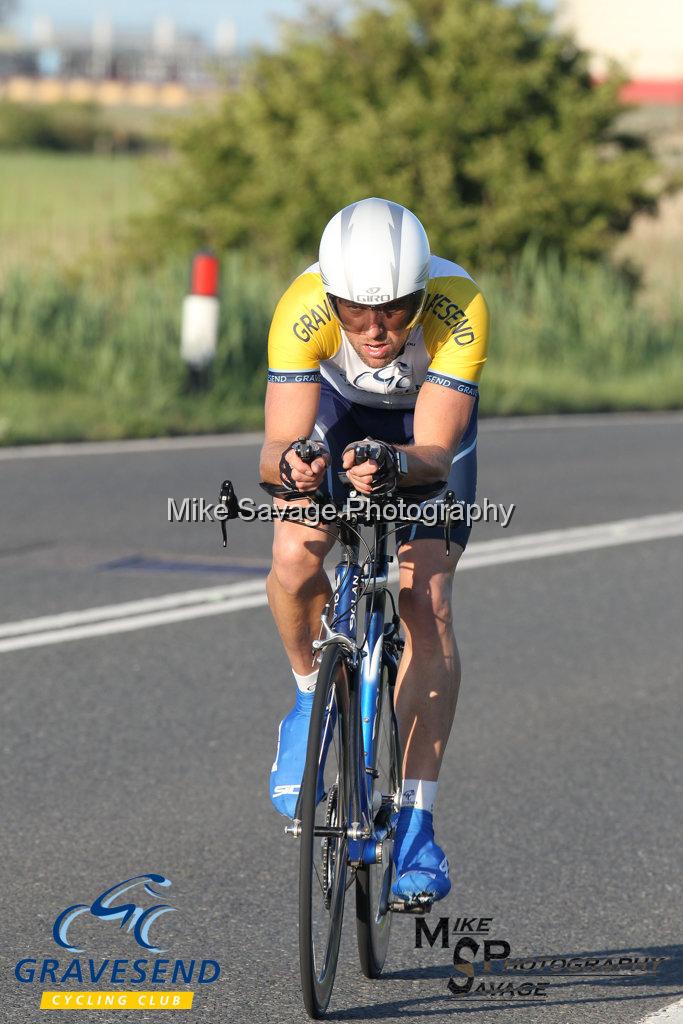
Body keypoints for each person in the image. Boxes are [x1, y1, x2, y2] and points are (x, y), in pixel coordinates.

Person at [259, 197, 489, 902]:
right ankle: (309, 699)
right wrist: (294, 466)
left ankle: (417, 824)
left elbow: (434, 455)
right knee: (298, 555)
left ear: (420, 291)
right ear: (329, 297)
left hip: (422, 440)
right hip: (335, 416)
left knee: (426, 598)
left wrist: (393, 463)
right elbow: (274, 451)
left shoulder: (459, 306)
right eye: (354, 313)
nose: (375, 329)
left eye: (393, 308)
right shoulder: (301, 309)